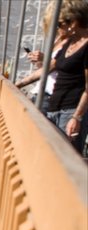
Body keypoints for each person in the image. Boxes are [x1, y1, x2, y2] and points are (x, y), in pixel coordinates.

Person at [46, 1, 88, 154]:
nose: (58, 28)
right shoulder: (70, 41)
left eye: (60, 23)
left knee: (66, 156)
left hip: (71, 110)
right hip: (54, 107)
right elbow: (48, 67)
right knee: (50, 154)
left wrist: (76, 117)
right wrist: (20, 83)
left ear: (74, 21)